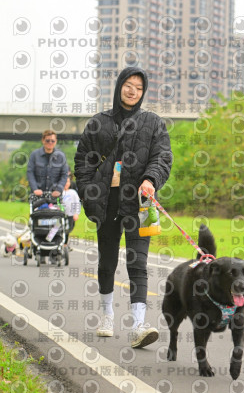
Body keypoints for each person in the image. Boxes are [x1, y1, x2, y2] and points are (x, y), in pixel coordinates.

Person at [74, 67, 173, 349]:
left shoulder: (152, 122)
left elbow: (162, 157)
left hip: (141, 202)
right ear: (119, 86)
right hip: (107, 201)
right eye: (129, 85)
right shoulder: (98, 123)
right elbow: (83, 162)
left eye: (139, 88)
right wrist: (88, 194)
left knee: (138, 263)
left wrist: (150, 180)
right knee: (107, 262)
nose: (133, 91)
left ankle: (138, 325)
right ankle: (107, 315)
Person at [27, 129, 69, 198]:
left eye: (53, 141)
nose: (50, 142)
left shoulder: (61, 156)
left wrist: (59, 189)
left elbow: (64, 174)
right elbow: (30, 173)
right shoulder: (34, 155)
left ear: (56, 141)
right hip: (37, 195)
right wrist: (35, 189)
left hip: (55, 195)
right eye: (47, 140)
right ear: (43, 140)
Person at [61, 174, 81, 248]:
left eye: (68, 181)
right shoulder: (59, 192)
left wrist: (76, 213)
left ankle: (65, 244)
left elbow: (77, 203)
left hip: (70, 215)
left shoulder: (73, 192)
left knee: (67, 230)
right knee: (56, 228)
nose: (66, 183)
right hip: (60, 216)